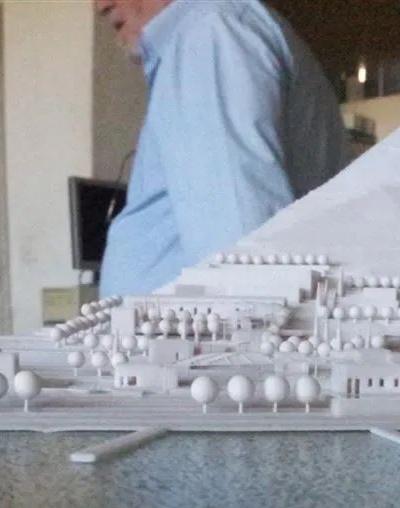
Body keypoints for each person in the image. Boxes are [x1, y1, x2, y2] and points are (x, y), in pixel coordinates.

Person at [95, 0, 345, 295]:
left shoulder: (207, 34)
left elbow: (243, 265)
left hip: (210, 324)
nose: (101, 6)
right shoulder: (213, 32)